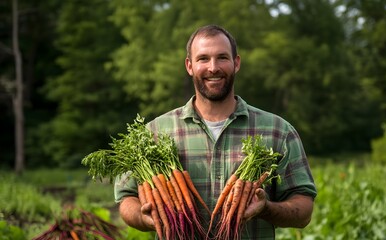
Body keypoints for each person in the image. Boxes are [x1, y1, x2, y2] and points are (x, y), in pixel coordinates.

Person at [114, 24, 317, 239]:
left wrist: (265, 207)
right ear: (189, 66)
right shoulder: (152, 133)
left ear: (236, 63)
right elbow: (127, 199)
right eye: (203, 59)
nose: (213, 68)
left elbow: (303, 210)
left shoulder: (278, 131)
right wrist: (144, 218)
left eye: (222, 57)